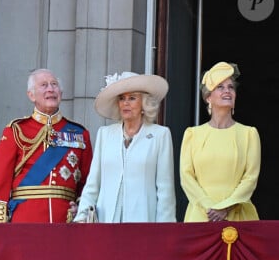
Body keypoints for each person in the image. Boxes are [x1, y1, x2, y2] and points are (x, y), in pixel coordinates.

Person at [0, 68, 93, 223]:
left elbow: (88, 181)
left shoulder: (79, 133)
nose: (51, 89)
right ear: (31, 95)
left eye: (54, 84)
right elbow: (0, 179)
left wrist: (81, 208)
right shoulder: (16, 130)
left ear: (61, 93)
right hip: (25, 218)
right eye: (44, 85)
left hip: (65, 220)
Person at [73, 72, 176, 223]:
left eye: (132, 98)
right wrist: (82, 215)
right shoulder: (105, 134)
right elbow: (93, 182)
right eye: (122, 98)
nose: (125, 103)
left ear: (144, 103)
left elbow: (165, 190)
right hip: (107, 220)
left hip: (143, 222)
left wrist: (164, 231)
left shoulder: (160, 135)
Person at [180, 61, 260, 222]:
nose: (227, 91)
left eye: (231, 87)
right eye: (220, 87)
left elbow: (250, 178)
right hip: (201, 216)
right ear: (208, 97)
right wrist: (209, 207)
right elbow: (186, 177)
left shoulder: (248, 134)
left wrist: (226, 207)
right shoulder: (192, 134)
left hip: (238, 216)